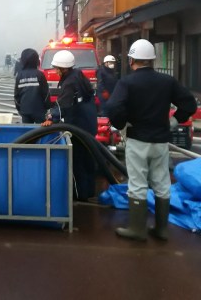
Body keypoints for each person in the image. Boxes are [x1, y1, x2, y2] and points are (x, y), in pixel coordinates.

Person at [106, 39, 196, 242]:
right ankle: (161, 229)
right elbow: (189, 103)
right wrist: (173, 121)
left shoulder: (127, 82)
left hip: (138, 139)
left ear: (131, 60)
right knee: (162, 183)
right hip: (161, 140)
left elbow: (113, 107)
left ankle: (137, 230)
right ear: (152, 61)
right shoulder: (167, 81)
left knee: (137, 183)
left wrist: (121, 123)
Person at [41, 49, 98, 202]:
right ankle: (89, 190)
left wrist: (51, 117)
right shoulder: (79, 76)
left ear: (63, 68)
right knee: (88, 158)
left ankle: (80, 194)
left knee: (78, 159)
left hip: (79, 126)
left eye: (56, 68)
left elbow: (63, 104)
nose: (55, 71)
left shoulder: (70, 82)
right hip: (89, 124)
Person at [14, 48, 51, 124]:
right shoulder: (40, 75)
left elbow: (16, 95)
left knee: (28, 133)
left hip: (25, 111)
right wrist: (47, 107)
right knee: (40, 131)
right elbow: (46, 94)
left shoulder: (19, 76)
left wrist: (20, 109)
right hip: (39, 111)